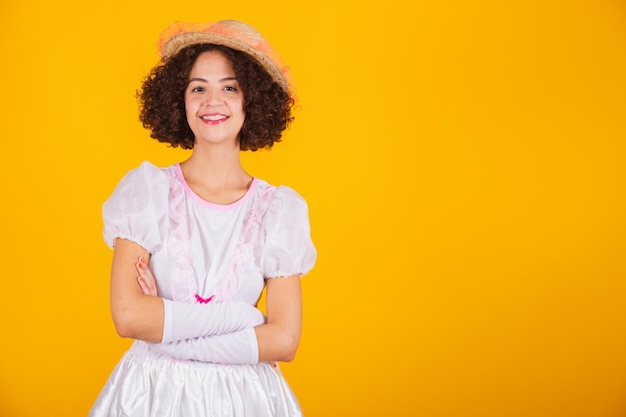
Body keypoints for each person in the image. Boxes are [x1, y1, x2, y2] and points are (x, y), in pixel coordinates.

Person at [89, 20, 317, 417]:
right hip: (148, 394)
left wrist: (162, 326)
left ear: (252, 101)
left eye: (230, 87)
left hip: (245, 401)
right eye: (199, 88)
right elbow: (127, 316)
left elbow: (283, 340)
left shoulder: (280, 210)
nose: (213, 101)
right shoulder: (147, 191)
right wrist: (243, 319)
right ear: (180, 100)